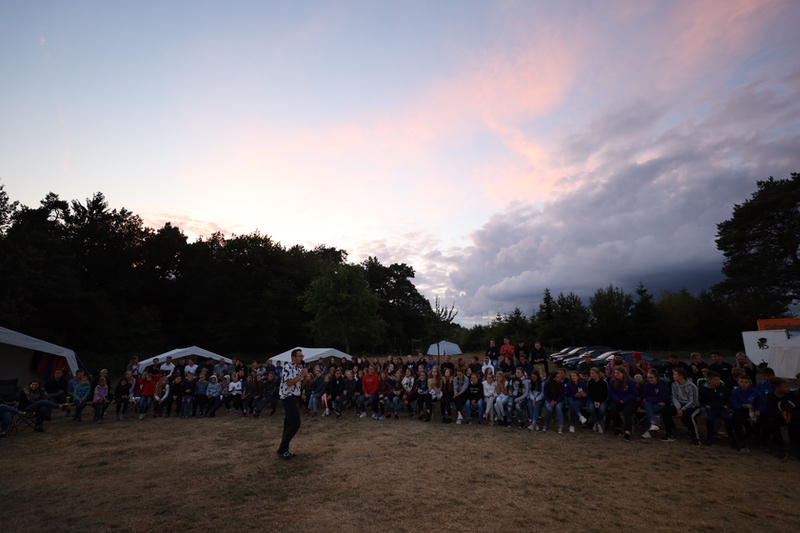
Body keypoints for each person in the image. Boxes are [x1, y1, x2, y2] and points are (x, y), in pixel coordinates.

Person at [277, 349, 309, 460]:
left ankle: (283, 449)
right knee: (295, 423)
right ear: (293, 357)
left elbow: (301, 384)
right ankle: (283, 449)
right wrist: (302, 375)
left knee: (288, 424)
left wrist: (305, 376)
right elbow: (289, 382)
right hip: (288, 397)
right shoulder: (287, 367)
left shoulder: (299, 368)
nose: (302, 358)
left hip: (295, 397)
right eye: (300, 356)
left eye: (302, 356)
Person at [661, 368, 701, 445]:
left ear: (681, 376)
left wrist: (683, 409)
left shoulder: (691, 386)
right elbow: (674, 397)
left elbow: (693, 401)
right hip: (679, 404)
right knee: (665, 412)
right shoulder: (674, 384)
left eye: (675, 374)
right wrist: (678, 407)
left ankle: (695, 437)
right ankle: (669, 434)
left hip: (691, 405)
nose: (673, 376)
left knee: (689, 416)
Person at [730, 374, 766, 452]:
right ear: (738, 382)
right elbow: (733, 404)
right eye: (742, 382)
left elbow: (762, 403)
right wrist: (743, 405)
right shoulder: (735, 392)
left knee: (762, 420)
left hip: (753, 411)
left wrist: (759, 410)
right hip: (741, 410)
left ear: (749, 383)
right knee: (735, 420)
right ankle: (741, 442)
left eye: (746, 382)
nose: (744, 384)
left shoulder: (755, 392)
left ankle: (759, 441)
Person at [607, 366, 639, 441]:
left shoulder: (630, 382)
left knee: (627, 412)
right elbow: (611, 393)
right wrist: (618, 399)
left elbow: (634, 394)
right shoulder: (612, 382)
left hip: (629, 401)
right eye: (615, 373)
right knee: (612, 410)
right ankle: (618, 425)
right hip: (618, 400)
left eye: (618, 373)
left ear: (623, 373)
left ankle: (628, 431)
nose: (616, 374)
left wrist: (625, 400)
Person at [641, 369, 669, 439]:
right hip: (653, 403)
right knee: (647, 404)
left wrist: (654, 400)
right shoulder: (647, 385)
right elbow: (646, 397)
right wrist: (656, 401)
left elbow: (662, 397)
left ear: (656, 377)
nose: (649, 379)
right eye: (648, 377)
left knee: (650, 410)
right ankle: (653, 423)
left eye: (651, 377)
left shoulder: (662, 385)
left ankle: (648, 430)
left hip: (662, 404)